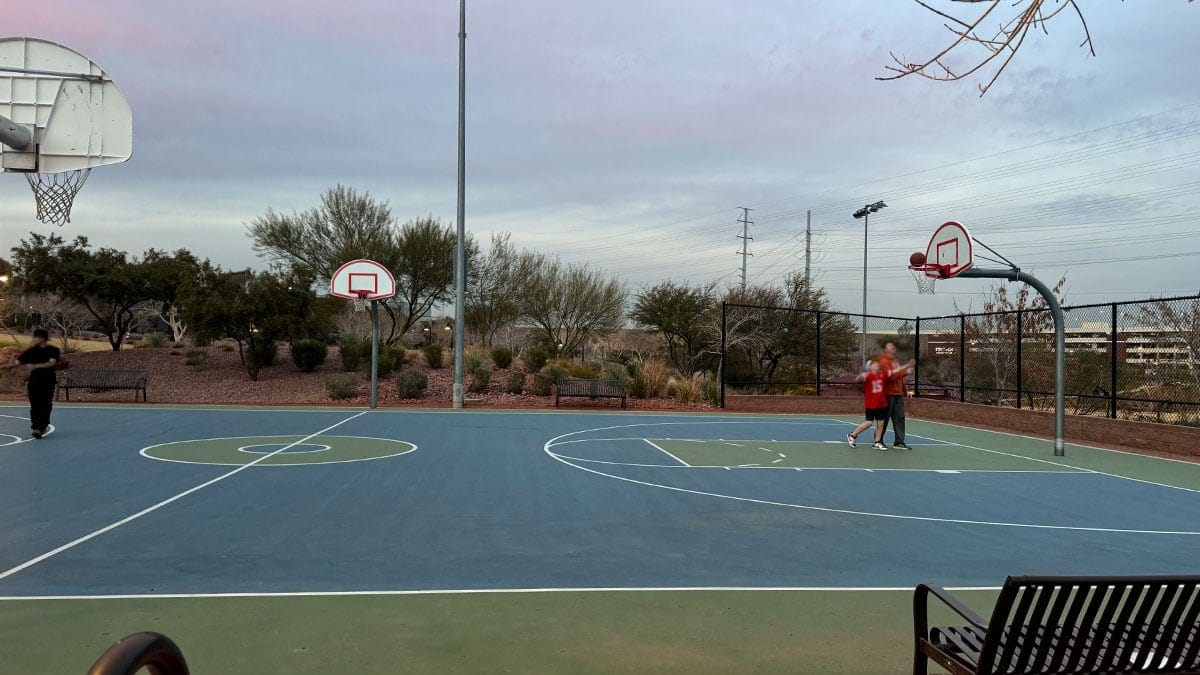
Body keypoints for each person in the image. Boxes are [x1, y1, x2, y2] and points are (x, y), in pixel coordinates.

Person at [845, 360, 910, 450]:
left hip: (881, 403)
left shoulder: (882, 374)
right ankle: (852, 435)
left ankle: (877, 442)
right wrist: (862, 375)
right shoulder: (868, 375)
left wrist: (907, 365)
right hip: (871, 403)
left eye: (877, 365)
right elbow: (859, 379)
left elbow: (895, 372)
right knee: (869, 423)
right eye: (874, 365)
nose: (877, 366)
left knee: (881, 423)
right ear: (870, 367)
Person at [15, 328, 60, 439]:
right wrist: (20, 362)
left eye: (36, 337)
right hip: (34, 381)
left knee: (46, 404)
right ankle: (36, 428)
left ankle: (43, 425)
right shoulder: (31, 351)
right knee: (34, 404)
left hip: (48, 381)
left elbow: (52, 362)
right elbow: (19, 361)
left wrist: (36, 366)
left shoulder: (53, 350)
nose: (34, 339)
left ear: (43, 338)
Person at [876, 342, 915, 450]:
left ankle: (899, 441)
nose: (893, 348)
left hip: (898, 395)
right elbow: (891, 377)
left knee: (899, 418)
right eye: (889, 346)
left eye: (893, 346)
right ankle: (878, 441)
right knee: (884, 419)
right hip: (887, 394)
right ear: (885, 349)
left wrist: (904, 390)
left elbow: (900, 377)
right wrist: (906, 371)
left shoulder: (895, 362)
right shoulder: (883, 362)